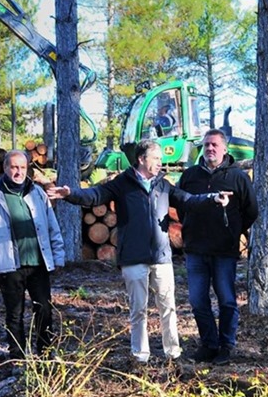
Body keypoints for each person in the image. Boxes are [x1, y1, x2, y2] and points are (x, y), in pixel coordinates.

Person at [47, 140, 229, 366]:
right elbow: (95, 195)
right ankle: (140, 356)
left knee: (168, 307)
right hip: (133, 257)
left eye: (161, 158)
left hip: (161, 258)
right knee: (138, 310)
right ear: (142, 159)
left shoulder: (163, 184)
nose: (160, 162)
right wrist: (70, 193)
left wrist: (212, 199)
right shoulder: (122, 183)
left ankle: (173, 353)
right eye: (156, 158)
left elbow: (188, 200)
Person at [0, 150, 66, 362]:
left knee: (44, 310)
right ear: (5, 168)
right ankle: (17, 358)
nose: (18, 172)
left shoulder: (37, 193)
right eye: (14, 167)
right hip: (9, 265)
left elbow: (52, 226)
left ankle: (45, 355)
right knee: (15, 314)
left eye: (22, 168)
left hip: (38, 264)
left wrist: (58, 255)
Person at [177, 129, 258, 365]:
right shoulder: (190, 176)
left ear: (224, 149)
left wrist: (233, 231)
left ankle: (226, 346)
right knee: (198, 301)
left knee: (227, 301)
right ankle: (209, 344)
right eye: (206, 145)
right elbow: (181, 205)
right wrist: (190, 227)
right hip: (196, 249)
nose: (210, 149)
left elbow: (251, 210)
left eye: (214, 145)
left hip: (224, 250)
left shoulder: (238, 177)